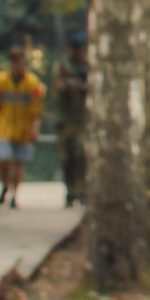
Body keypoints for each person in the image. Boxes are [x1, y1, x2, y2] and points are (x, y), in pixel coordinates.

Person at [0, 42, 45, 210]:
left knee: (19, 163)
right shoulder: (0, 81)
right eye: (16, 62)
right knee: (3, 160)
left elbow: (37, 109)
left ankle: (14, 195)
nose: (19, 66)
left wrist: (34, 127)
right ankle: (5, 185)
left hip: (24, 129)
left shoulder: (32, 84)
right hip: (5, 127)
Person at [53, 29, 89, 205]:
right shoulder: (63, 66)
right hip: (65, 120)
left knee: (81, 155)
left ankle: (81, 190)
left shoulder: (89, 66)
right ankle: (70, 192)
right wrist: (72, 86)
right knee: (67, 157)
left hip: (83, 120)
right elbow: (58, 86)